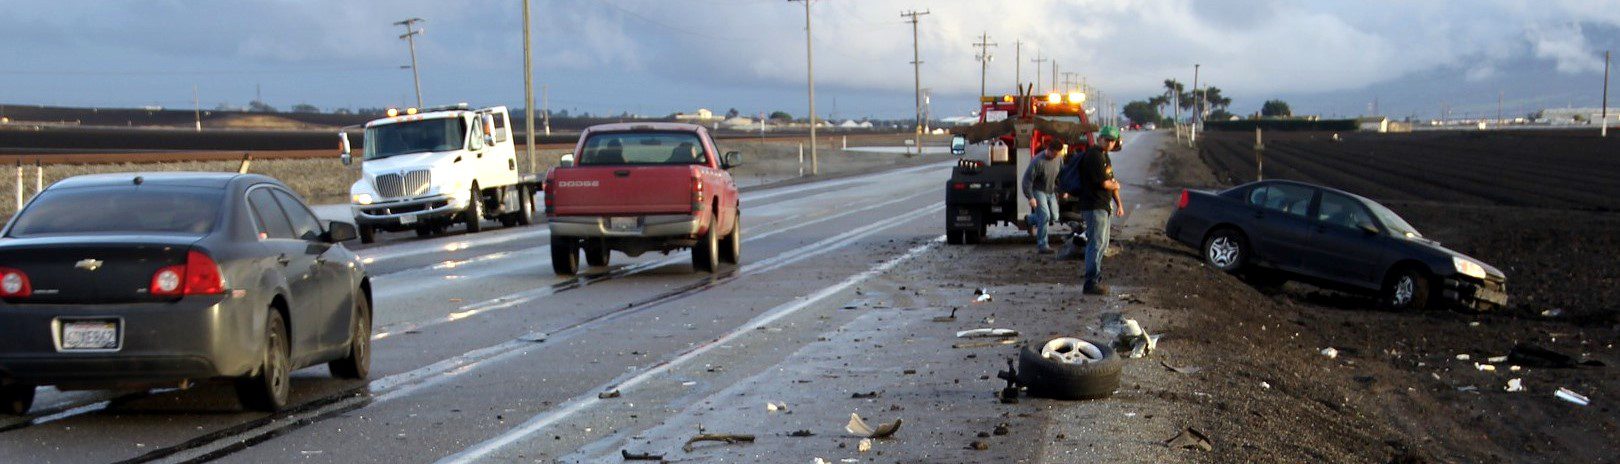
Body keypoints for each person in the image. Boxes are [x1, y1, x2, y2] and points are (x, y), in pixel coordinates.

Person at [1075, 126, 1125, 295]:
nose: (1110, 143)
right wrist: (1115, 185)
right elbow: (1105, 183)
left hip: (1103, 206)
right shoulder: (1094, 156)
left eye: (1112, 140)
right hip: (1094, 206)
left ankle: (1095, 278)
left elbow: (1111, 181)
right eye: (1107, 139)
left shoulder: (1105, 157)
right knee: (1095, 244)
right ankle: (1091, 282)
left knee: (1102, 244)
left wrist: (1119, 204)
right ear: (1100, 139)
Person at [1021, 139, 1064, 254]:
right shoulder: (1037, 161)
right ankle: (1043, 245)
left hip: (1051, 191)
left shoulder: (1059, 159)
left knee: (1054, 216)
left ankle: (1030, 219)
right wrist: (1030, 197)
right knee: (1045, 215)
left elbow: (1060, 175)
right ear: (1049, 150)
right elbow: (1027, 180)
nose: (1057, 156)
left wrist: (1063, 189)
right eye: (1055, 154)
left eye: (1059, 154)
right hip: (1038, 191)